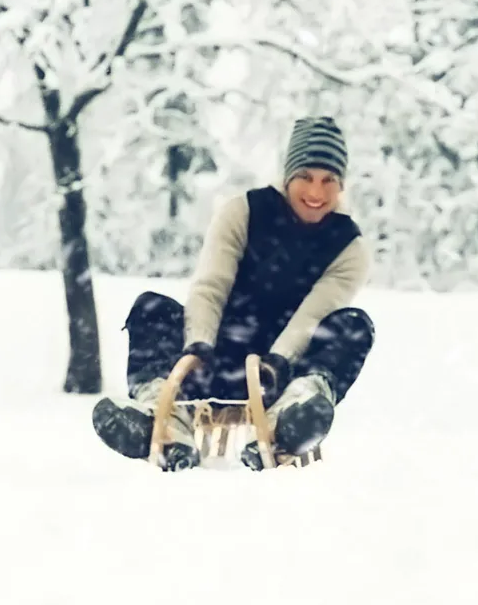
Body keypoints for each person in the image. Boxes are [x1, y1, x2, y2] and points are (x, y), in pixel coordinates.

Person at [92, 116, 376, 470]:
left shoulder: (349, 247)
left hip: (282, 375)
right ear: (288, 176)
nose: (316, 192)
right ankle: (163, 419)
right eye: (305, 177)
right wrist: (198, 347)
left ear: (341, 184)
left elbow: (313, 316)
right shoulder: (244, 212)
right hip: (213, 358)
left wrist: (277, 364)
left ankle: (289, 421)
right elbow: (211, 286)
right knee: (152, 307)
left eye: (328, 180)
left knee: (354, 325)